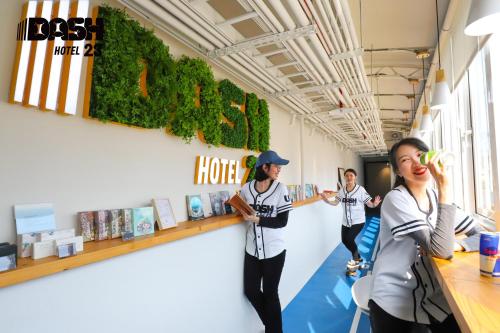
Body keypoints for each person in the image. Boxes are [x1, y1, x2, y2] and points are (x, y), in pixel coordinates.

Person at [369, 137, 481, 333]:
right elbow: (440, 250)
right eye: (405, 160)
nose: (416, 162)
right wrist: (444, 186)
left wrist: (458, 245)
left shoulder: (436, 198)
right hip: (395, 299)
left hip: (433, 297)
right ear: (397, 171)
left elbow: (482, 235)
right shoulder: (396, 199)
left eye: (420, 155)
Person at [240, 150, 293, 333]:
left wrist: (258, 220)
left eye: (279, 167)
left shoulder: (280, 189)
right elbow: (243, 209)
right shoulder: (246, 188)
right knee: (251, 291)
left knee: (271, 294)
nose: (279, 169)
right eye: (276, 166)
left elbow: (282, 221)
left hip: (274, 252)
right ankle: (272, 326)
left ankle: (274, 330)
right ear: (265, 167)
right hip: (252, 250)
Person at [320, 168, 381, 274]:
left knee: (349, 239)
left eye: (351, 175)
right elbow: (335, 203)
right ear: (344, 177)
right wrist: (326, 200)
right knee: (344, 240)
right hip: (345, 222)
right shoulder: (342, 191)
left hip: (358, 221)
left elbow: (369, 204)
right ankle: (358, 257)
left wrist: (375, 204)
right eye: (347, 175)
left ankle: (355, 261)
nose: (349, 178)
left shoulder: (360, 190)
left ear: (355, 177)